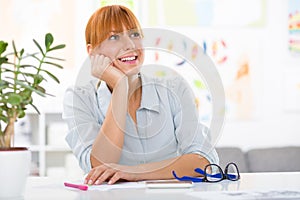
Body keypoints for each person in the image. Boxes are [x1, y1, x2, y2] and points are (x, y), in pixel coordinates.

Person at [63, 5, 218, 185]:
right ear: (93, 52)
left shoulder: (174, 89)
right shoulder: (80, 98)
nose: (129, 45)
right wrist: (120, 88)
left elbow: (202, 161)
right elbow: (99, 166)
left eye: (134, 35)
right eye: (114, 37)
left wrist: (133, 172)